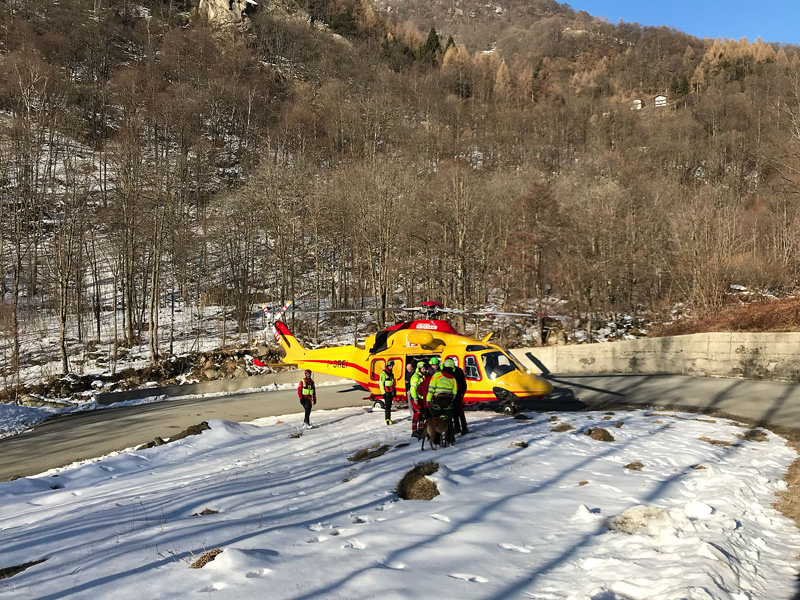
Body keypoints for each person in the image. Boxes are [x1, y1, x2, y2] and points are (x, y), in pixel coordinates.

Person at [426, 358, 458, 446]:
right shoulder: (453, 379)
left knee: (436, 420)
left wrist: (428, 399)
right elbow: (455, 392)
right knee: (449, 421)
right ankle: (450, 440)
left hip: (438, 400)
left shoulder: (436, 375)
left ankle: (436, 441)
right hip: (448, 401)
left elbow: (431, 389)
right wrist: (451, 400)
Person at [408, 360, 428, 438]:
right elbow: (413, 389)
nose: (424, 370)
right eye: (423, 369)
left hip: (422, 398)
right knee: (417, 413)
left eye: (424, 368)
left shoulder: (422, 376)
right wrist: (415, 398)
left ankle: (421, 429)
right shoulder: (415, 377)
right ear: (419, 369)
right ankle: (414, 430)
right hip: (416, 398)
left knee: (422, 414)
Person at [451, 360, 469, 436]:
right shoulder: (456, 370)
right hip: (453, 394)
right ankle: (457, 427)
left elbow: (463, 383)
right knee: (454, 412)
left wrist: (462, 392)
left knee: (460, 412)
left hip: (457, 394)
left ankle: (464, 428)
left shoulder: (457, 371)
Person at [379, 359, 397, 425]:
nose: (391, 367)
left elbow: (393, 383)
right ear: (387, 366)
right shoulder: (383, 374)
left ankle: (389, 418)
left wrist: (394, 391)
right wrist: (383, 393)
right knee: (387, 406)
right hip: (386, 392)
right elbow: (381, 384)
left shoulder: (391, 374)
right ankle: (387, 419)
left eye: (392, 366)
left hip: (391, 392)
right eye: (390, 366)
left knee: (389, 406)